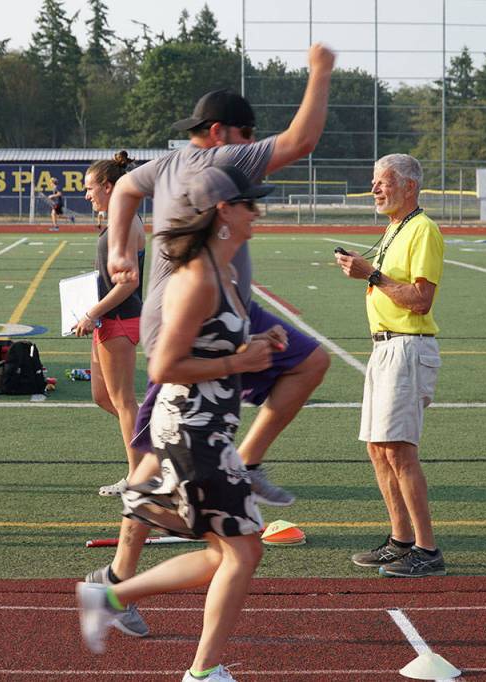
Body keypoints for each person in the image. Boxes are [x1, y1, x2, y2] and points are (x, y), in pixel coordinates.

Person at [86, 45, 335, 634]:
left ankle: (241, 464)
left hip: (224, 319)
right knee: (155, 468)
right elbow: (299, 141)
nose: (255, 148)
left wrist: (121, 248)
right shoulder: (224, 165)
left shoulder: (169, 165)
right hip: (196, 328)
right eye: (246, 133)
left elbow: (122, 191)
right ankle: (118, 587)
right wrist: (320, 71)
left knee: (157, 464)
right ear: (222, 132)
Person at [77, 165, 277, 682]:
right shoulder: (199, 279)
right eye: (248, 203)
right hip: (191, 430)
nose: (257, 211)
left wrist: (256, 345)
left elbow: (212, 345)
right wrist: (239, 362)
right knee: (241, 552)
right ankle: (202, 671)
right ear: (222, 214)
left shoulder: (223, 271)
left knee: (229, 553)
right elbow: (163, 367)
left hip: (208, 431)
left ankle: (111, 595)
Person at [333, 153, 446, 578]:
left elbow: (421, 300)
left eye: (384, 182)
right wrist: (366, 272)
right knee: (378, 447)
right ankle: (401, 541)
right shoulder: (394, 228)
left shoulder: (423, 229)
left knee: (399, 450)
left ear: (409, 186)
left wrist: (372, 275)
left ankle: (427, 550)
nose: (376, 189)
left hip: (408, 346)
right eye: (374, 181)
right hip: (385, 348)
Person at [74, 152, 147, 498]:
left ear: (108, 186)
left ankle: (140, 475)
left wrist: (92, 313)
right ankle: (151, 457)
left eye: (90, 188)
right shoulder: (119, 217)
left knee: (123, 401)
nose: (87, 195)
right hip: (108, 318)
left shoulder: (126, 220)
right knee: (102, 396)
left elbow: (129, 282)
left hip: (119, 319)